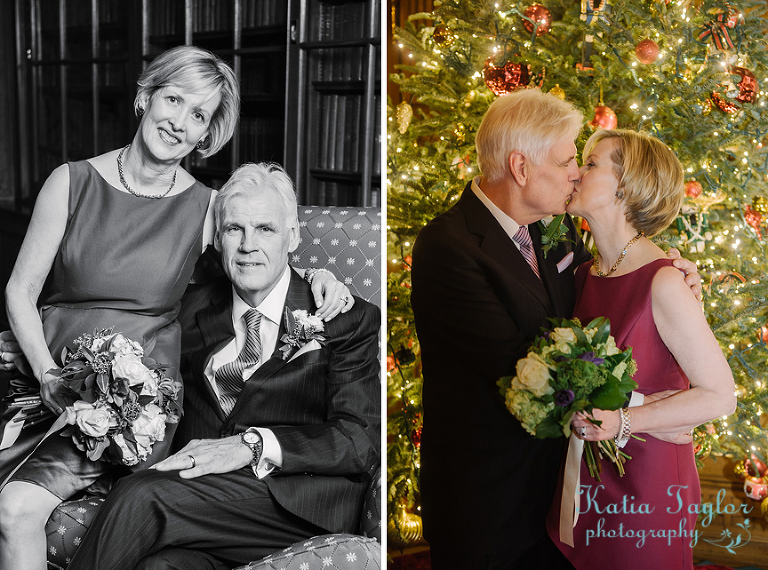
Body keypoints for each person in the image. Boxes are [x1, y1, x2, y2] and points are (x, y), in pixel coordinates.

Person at [0, 47, 350, 570]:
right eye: (174, 100)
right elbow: (19, 291)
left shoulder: (207, 208)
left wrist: (322, 277)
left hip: (128, 401)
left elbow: (259, 262)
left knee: (14, 510)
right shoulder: (70, 182)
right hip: (43, 374)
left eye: (199, 116)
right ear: (146, 97)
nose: (180, 123)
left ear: (207, 135)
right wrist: (48, 375)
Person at [410, 88, 701, 569]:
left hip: (562, 500)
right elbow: (531, 371)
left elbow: (604, 295)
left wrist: (672, 272)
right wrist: (648, 411)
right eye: (568, 160)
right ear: (521, 168)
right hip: (489, 503)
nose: (575, 173)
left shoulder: (557, 226)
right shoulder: (449, 247)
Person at [62, 162, 381, 570]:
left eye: (265, 229)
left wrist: (251, 445)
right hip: (203, 511)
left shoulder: (343, 316)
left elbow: (358, 440)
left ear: (293, 235)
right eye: (234, 229)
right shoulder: (188, 310)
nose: (249, 245)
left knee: (144, 495)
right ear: (218, 239)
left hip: (296, 506)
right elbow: (113, 303)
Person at [546, 129, 736, 570]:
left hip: (646, 485)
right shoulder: (582, 274)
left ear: (626, 188)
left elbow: (720, 395)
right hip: (588, 472)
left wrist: (630, 419)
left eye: (591, 164)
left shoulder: (665, 281)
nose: (576, 172)